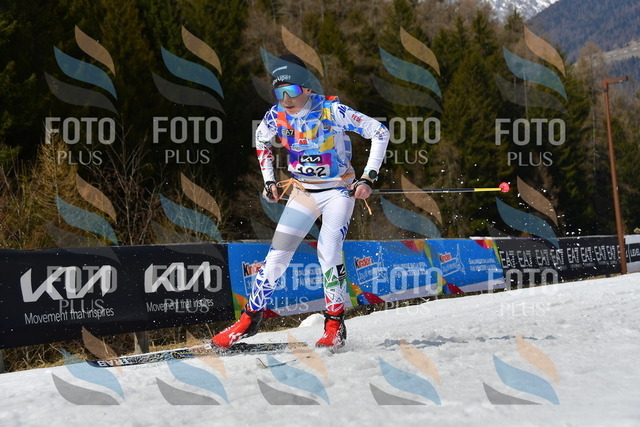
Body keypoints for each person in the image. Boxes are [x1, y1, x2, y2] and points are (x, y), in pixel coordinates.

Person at [212, 54, 390, 349]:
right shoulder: (275, 115)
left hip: (337, 192)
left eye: (292, 91)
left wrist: (368, 177)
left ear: (307, 88)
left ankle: (334, 325)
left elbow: (379, 132)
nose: (286, 99)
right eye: (279, 92)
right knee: (276, 257)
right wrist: (269, 180)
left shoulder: (331, 111)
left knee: (328, 252)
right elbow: (261, 140)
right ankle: (248, 320)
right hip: (303, 193)